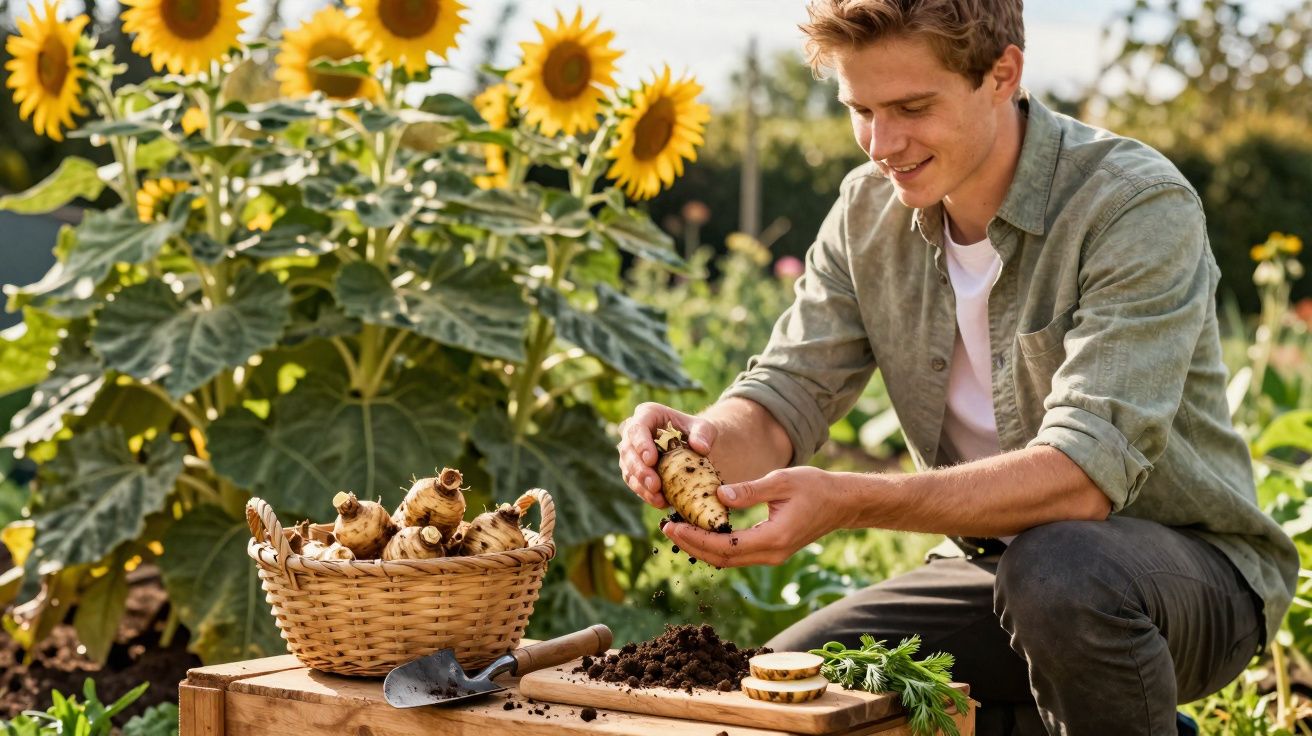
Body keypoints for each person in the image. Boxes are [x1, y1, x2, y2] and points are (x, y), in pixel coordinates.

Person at [615, 1, 1300, 734]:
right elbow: (787, 392)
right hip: (993, 575)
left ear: (1002, 74)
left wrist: (851, 500)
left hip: (1187, 581)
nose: (882, 142)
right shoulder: (865, 214)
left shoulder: (1131, 205)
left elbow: (1081, 477)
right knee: (799, 695)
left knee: (1060, 570)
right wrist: (701, 445)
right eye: (860, 109)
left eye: (912, 107)